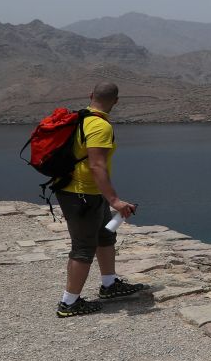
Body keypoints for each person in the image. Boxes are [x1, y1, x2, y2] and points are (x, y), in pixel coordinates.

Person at [55, 81, 147, 317]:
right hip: (82, 194)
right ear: (116, 101)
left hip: (89, 193)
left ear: (90, 95)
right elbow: (97, 165)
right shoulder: (99, 126)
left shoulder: (80, 118)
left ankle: (109, 284)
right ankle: (69, 303)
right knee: (83, 247)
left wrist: (107, 199)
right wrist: (115, 200)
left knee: (106, 235)